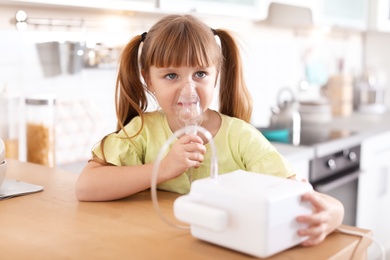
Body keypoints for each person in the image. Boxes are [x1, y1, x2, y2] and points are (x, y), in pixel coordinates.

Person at [75, 14, 344, 247]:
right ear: (149, 79)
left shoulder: (241, 137)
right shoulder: (142, 132)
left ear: (217, 74)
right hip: (155, 246)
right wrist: (164, 168)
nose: (188, 89)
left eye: (200, 74)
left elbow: (309, 198)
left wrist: (333, 215)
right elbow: (86, 187)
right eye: (171, 75)